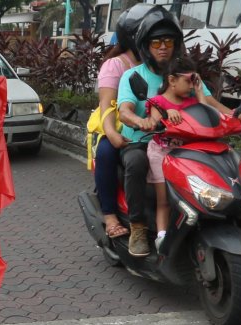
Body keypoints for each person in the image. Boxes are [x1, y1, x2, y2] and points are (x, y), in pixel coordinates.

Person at [115, 8, 241, 257]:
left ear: (176, 44)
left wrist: (238, 118)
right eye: (156, 42)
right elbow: (124, 110)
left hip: (187, 141)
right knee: (136, 162)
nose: (162, 47)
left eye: (168, 41)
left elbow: (212, 105)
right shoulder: (132, 76)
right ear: (145, 46)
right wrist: (141, 121)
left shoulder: (188, 77)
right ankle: (138, 227)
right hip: (146, 140)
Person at [90, 3, 160, 241]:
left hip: (155, 129)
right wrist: (111, 133)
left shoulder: (162, 64)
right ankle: (110, 215)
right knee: (108, 152)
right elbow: (107, 106)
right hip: (118, 124)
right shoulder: (117, 65)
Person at [141, 55, 207, 246]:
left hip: (186, 155)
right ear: (171, 80)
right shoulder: (157, 102)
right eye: (188, 81)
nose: (191, 85)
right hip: (161, 154)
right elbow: (154, 122)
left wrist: (200, 91)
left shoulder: (193, 102)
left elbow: (206, 116)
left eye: (193, 80)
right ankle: (161, 236)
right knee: (165, 199)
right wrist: (166, 113)